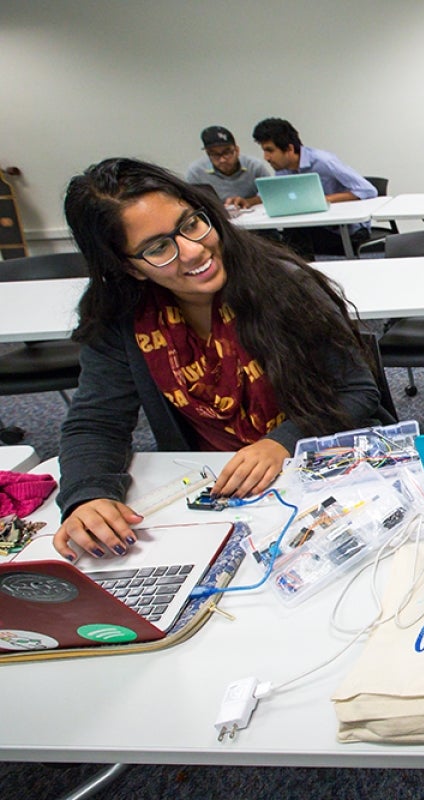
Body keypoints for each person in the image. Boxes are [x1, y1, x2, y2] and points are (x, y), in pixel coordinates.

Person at [54, 158, 393, 561]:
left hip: (322, 474)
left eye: (191, 224)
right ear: (130, 267)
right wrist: (87, 495)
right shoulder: (122, 319)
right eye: (159, 248)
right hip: (217, 489)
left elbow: (356, 392)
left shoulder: (284, 286)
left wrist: (281, 442)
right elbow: (96, 422)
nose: (194, 250)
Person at [251, 117, 378, 257]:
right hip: (315, 227)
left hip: (347, 231)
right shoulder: (283, 169)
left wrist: (325, 199)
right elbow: (270, 195)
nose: (266, 157)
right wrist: (247, 202)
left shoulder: (324, 161)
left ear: (289, 149)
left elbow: (368, 190)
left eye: (270, 150)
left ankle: (300, 272)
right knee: (282, 234)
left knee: (293, 237)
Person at [184, 125, 273, 209]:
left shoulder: (254, 166)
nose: (222, 160)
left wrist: (248, 201)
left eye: (227, 152)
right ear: (207, 154)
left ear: (237, 150)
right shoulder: (196, 172)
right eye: (215, 154)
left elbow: (273, 194)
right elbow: (191, 203)